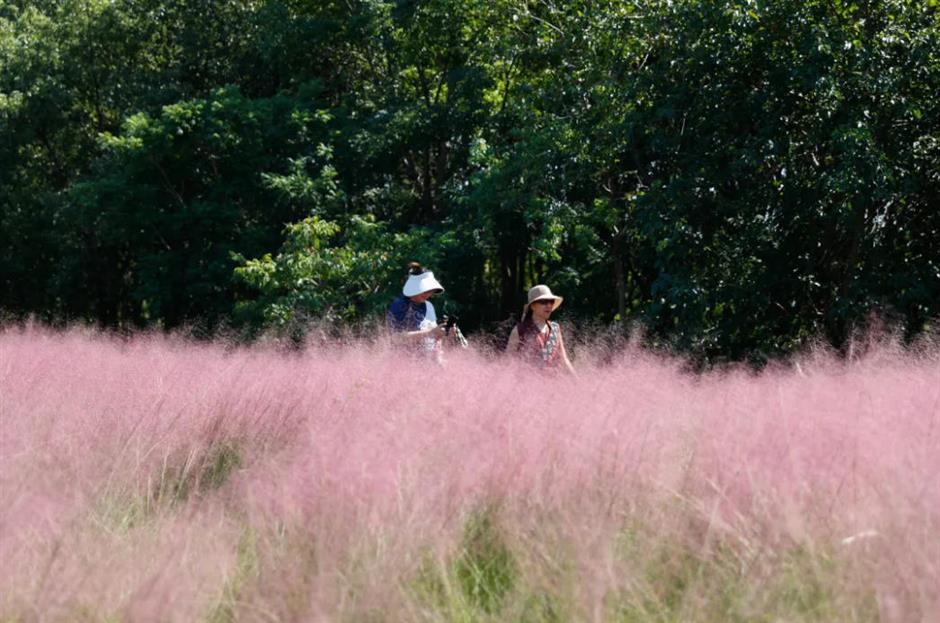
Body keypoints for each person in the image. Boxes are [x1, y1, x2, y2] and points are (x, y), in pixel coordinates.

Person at [386, 262, 456, 358]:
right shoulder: (399, 305)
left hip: (428, 362)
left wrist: (443, 333)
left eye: (430, 291)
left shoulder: (429, 306)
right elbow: (395, 338)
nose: (429, 294)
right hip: (403, 362)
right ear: (415, 287)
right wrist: (431, 332)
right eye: (426, 290)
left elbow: (435, 339)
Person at [506, 284, 576, 375]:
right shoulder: (519, 330)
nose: (549, 305)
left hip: (551, 382)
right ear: (532, 306)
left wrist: (577, 381)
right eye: (544, 302)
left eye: (551, 301)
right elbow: (508, 362)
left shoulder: (555, 328)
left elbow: (564, 360)